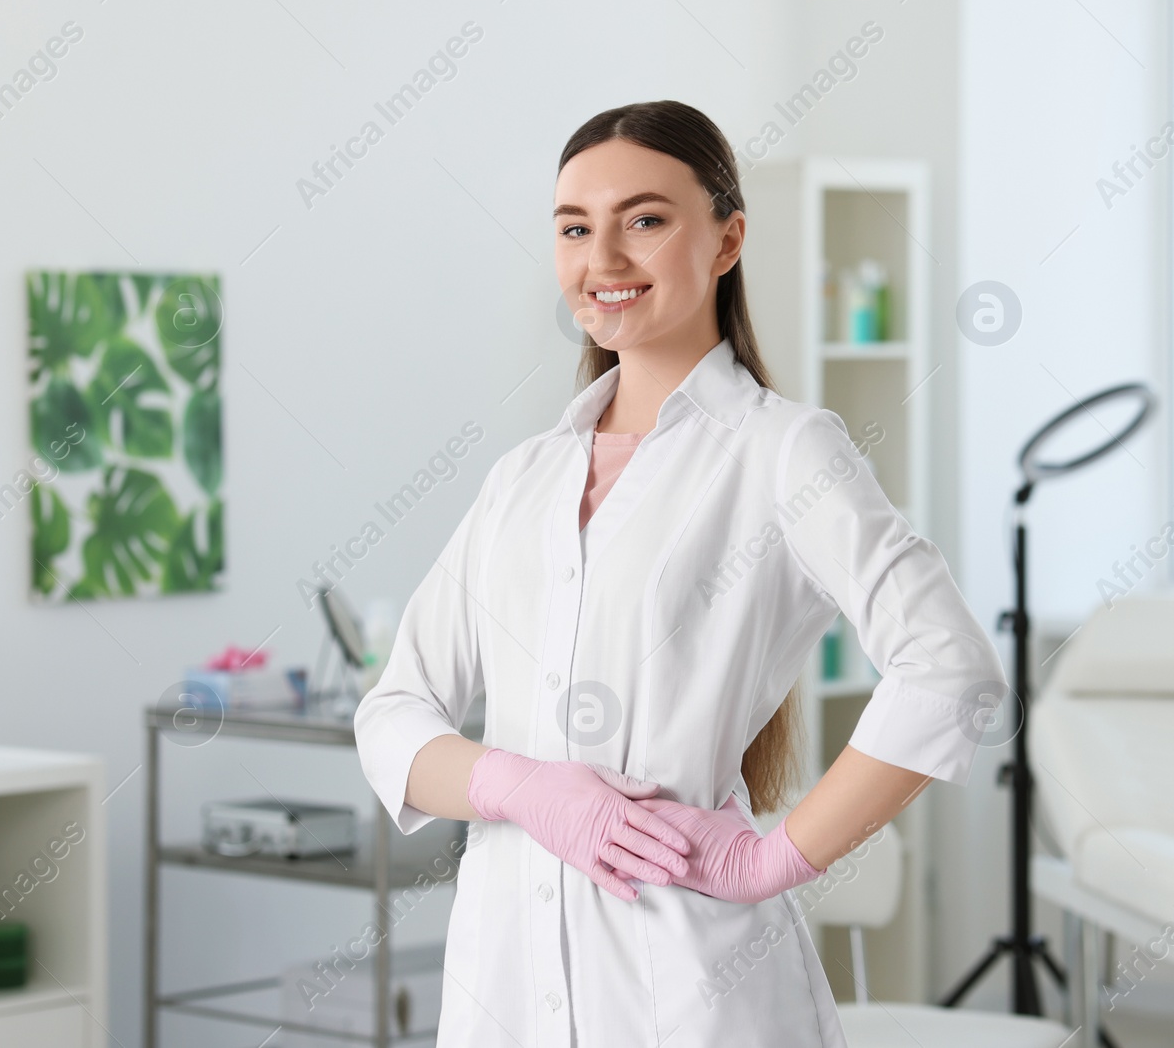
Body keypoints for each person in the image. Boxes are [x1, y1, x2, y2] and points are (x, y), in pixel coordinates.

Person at [354, 99, 1008, 1047]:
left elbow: (951, 670)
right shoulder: (522, 480)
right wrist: (524, 787)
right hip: (501, 986)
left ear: (728, 237)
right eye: (576, 228)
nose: (604, 260)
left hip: (693, 991)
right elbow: (395, 711)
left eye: (645, 220)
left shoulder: (783, 452)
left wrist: (772, 859)